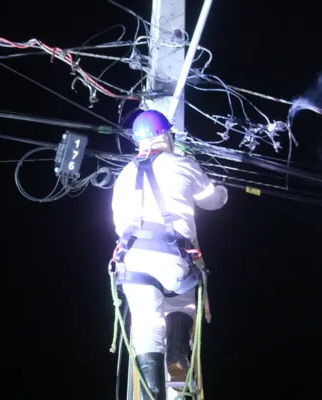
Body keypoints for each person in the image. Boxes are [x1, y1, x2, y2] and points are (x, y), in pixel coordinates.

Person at [111, 109, 228, 400]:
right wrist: (224, 190)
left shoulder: (123, 175)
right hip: (172, 257)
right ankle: (177, 362)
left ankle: (153, 393)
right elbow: (213, 200)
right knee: (184, 303)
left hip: (133, 262)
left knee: (148, 325)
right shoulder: (182, 163)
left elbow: (116, 224)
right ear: (166, 135)